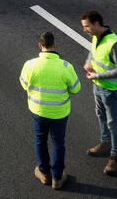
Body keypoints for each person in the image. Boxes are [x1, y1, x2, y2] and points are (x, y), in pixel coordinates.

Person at [20, 31, 80, 191]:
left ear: (40, 46)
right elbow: (76, 89)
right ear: (54, 45)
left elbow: (24, 84)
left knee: (40, 140)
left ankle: (44, 173)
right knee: (58, 143)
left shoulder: (30, 64)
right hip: (60, 113)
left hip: (38, 111)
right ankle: (57, 178)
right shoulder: (66, 67)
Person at [81, 10, 117, 175]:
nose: (85, 29)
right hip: (97, 85)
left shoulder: (113, 43)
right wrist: (88, 63)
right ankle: (105, 142)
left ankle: (116, 157)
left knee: (112, 123)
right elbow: (92, 53)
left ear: (96, 24)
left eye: (87, 26)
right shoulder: (96, 37)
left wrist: (98, 75)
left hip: (110, 90)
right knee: (100, 114)